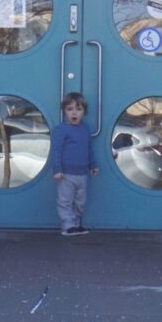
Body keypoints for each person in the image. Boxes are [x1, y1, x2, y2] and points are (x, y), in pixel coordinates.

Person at [51, 92, 98, 236]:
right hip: (66, 174)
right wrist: (57, 169)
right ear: (64, 111)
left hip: (82, 173)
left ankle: (76, 224)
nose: (74, 113)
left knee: (80, 202)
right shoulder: (61, 129)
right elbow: (56, 150)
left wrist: (92, 165)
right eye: (70, 109)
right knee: (65, 200)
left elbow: (88, 148)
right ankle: (68, 225)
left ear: (84, 112)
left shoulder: (85, 129)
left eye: (78, 109)